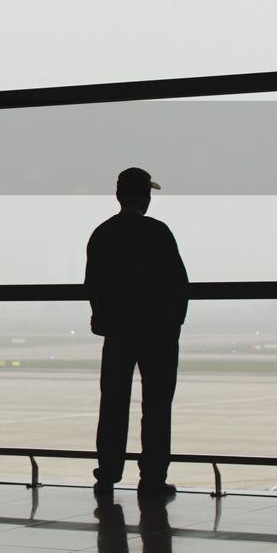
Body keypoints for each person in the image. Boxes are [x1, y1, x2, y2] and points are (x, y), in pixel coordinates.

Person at [87, 167, 189, 497]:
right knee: (157, 406)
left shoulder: (103, 234)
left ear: (119, 196)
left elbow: (93, 284)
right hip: (157, 332)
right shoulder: (158, 233)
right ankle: (152, 478)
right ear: (145, 197)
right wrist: (173, 324)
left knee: (114, 402)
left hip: (118, 331)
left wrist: (103, 319)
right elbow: (177, 283)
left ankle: (108, 471)